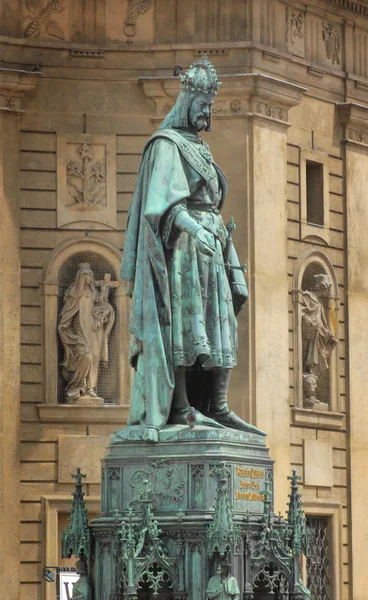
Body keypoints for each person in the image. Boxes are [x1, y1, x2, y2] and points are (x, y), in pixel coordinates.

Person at [121, 55, 264, 442]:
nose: (207, 113)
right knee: (185, 326)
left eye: (211, 107)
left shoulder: (200, 146)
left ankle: (217, 406)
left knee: (221, 323)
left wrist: (215, 234)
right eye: (203, 106)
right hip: (184, 249)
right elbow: (162, 203)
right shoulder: (167, 144)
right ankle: (181, 407)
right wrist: (192, 229)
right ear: (188, 103)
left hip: (212, 248)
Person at [58, 263, 115, 402]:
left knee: (94, 358)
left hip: (94, 331)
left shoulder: (95, 294)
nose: (90, 278)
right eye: (86, 275)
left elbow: (104, 308)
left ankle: (91, 388)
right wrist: (64, 327)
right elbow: (67, 313)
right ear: (81, 277)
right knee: (87, 356)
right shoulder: (74, 294)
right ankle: (77, 385)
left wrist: (103, 313)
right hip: (80, 332)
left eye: (91, 275)